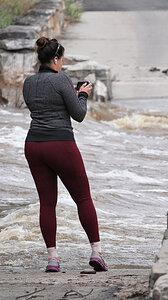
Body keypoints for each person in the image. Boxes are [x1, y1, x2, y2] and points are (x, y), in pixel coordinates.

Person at [23, 37, 108, 273]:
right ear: (56, 58)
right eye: (62, 59)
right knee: (82, 197)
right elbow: (78, 114)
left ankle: (52, 259)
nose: (63, 63)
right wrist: (81, 95)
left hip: (33, 145)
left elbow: (41, 105)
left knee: (47, 203)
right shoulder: (61, 79)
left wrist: (67, 93)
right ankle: (96, 253)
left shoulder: (28, 82)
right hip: (60, 143)